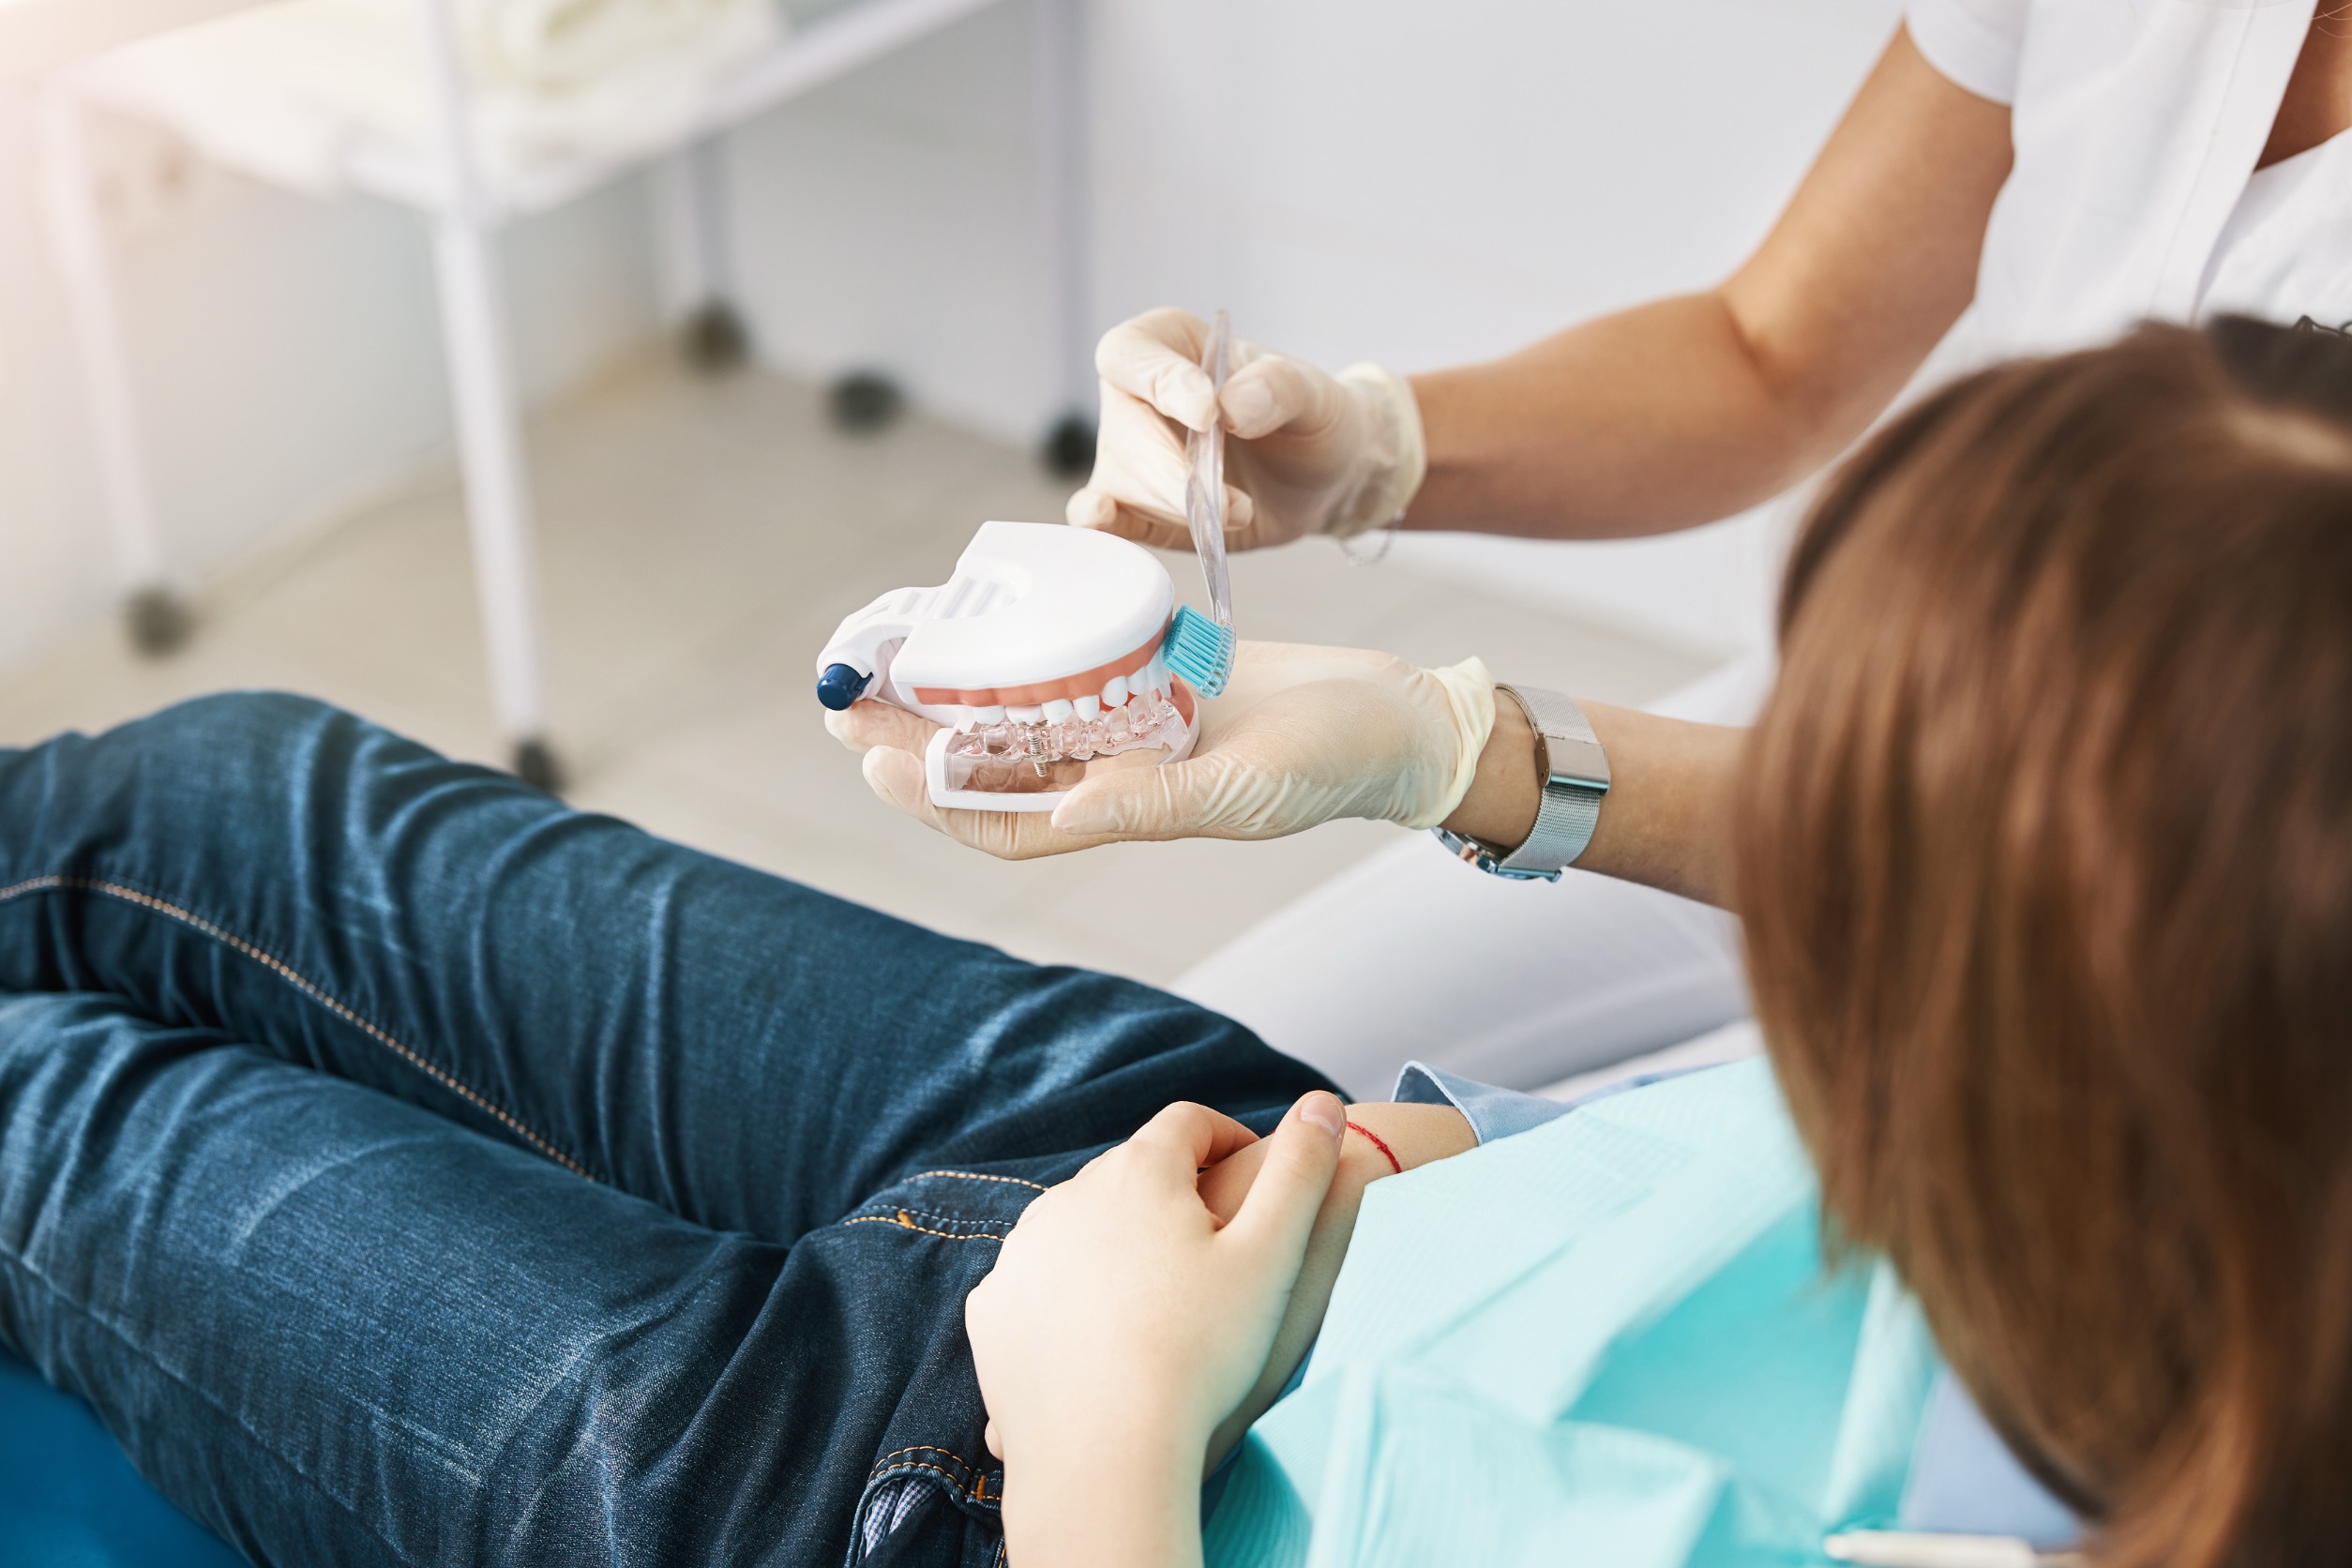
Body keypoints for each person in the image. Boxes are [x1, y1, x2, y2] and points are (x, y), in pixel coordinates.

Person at [5, 316, 2351, 1565]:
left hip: (953, 1489)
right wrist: (1445, 780)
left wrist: (1106, 1426)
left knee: (62, 1114)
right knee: (229, 793)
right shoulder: (2239, 1102)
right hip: (1217, 1159)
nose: (1817, 896)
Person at [832, 0, 2352, 1100]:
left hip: (2193, 956)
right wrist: (1365, 449)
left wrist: (1463, 755)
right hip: (1823, 742)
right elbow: (1770, 354)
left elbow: (2108, 851)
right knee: (1131, 1097)